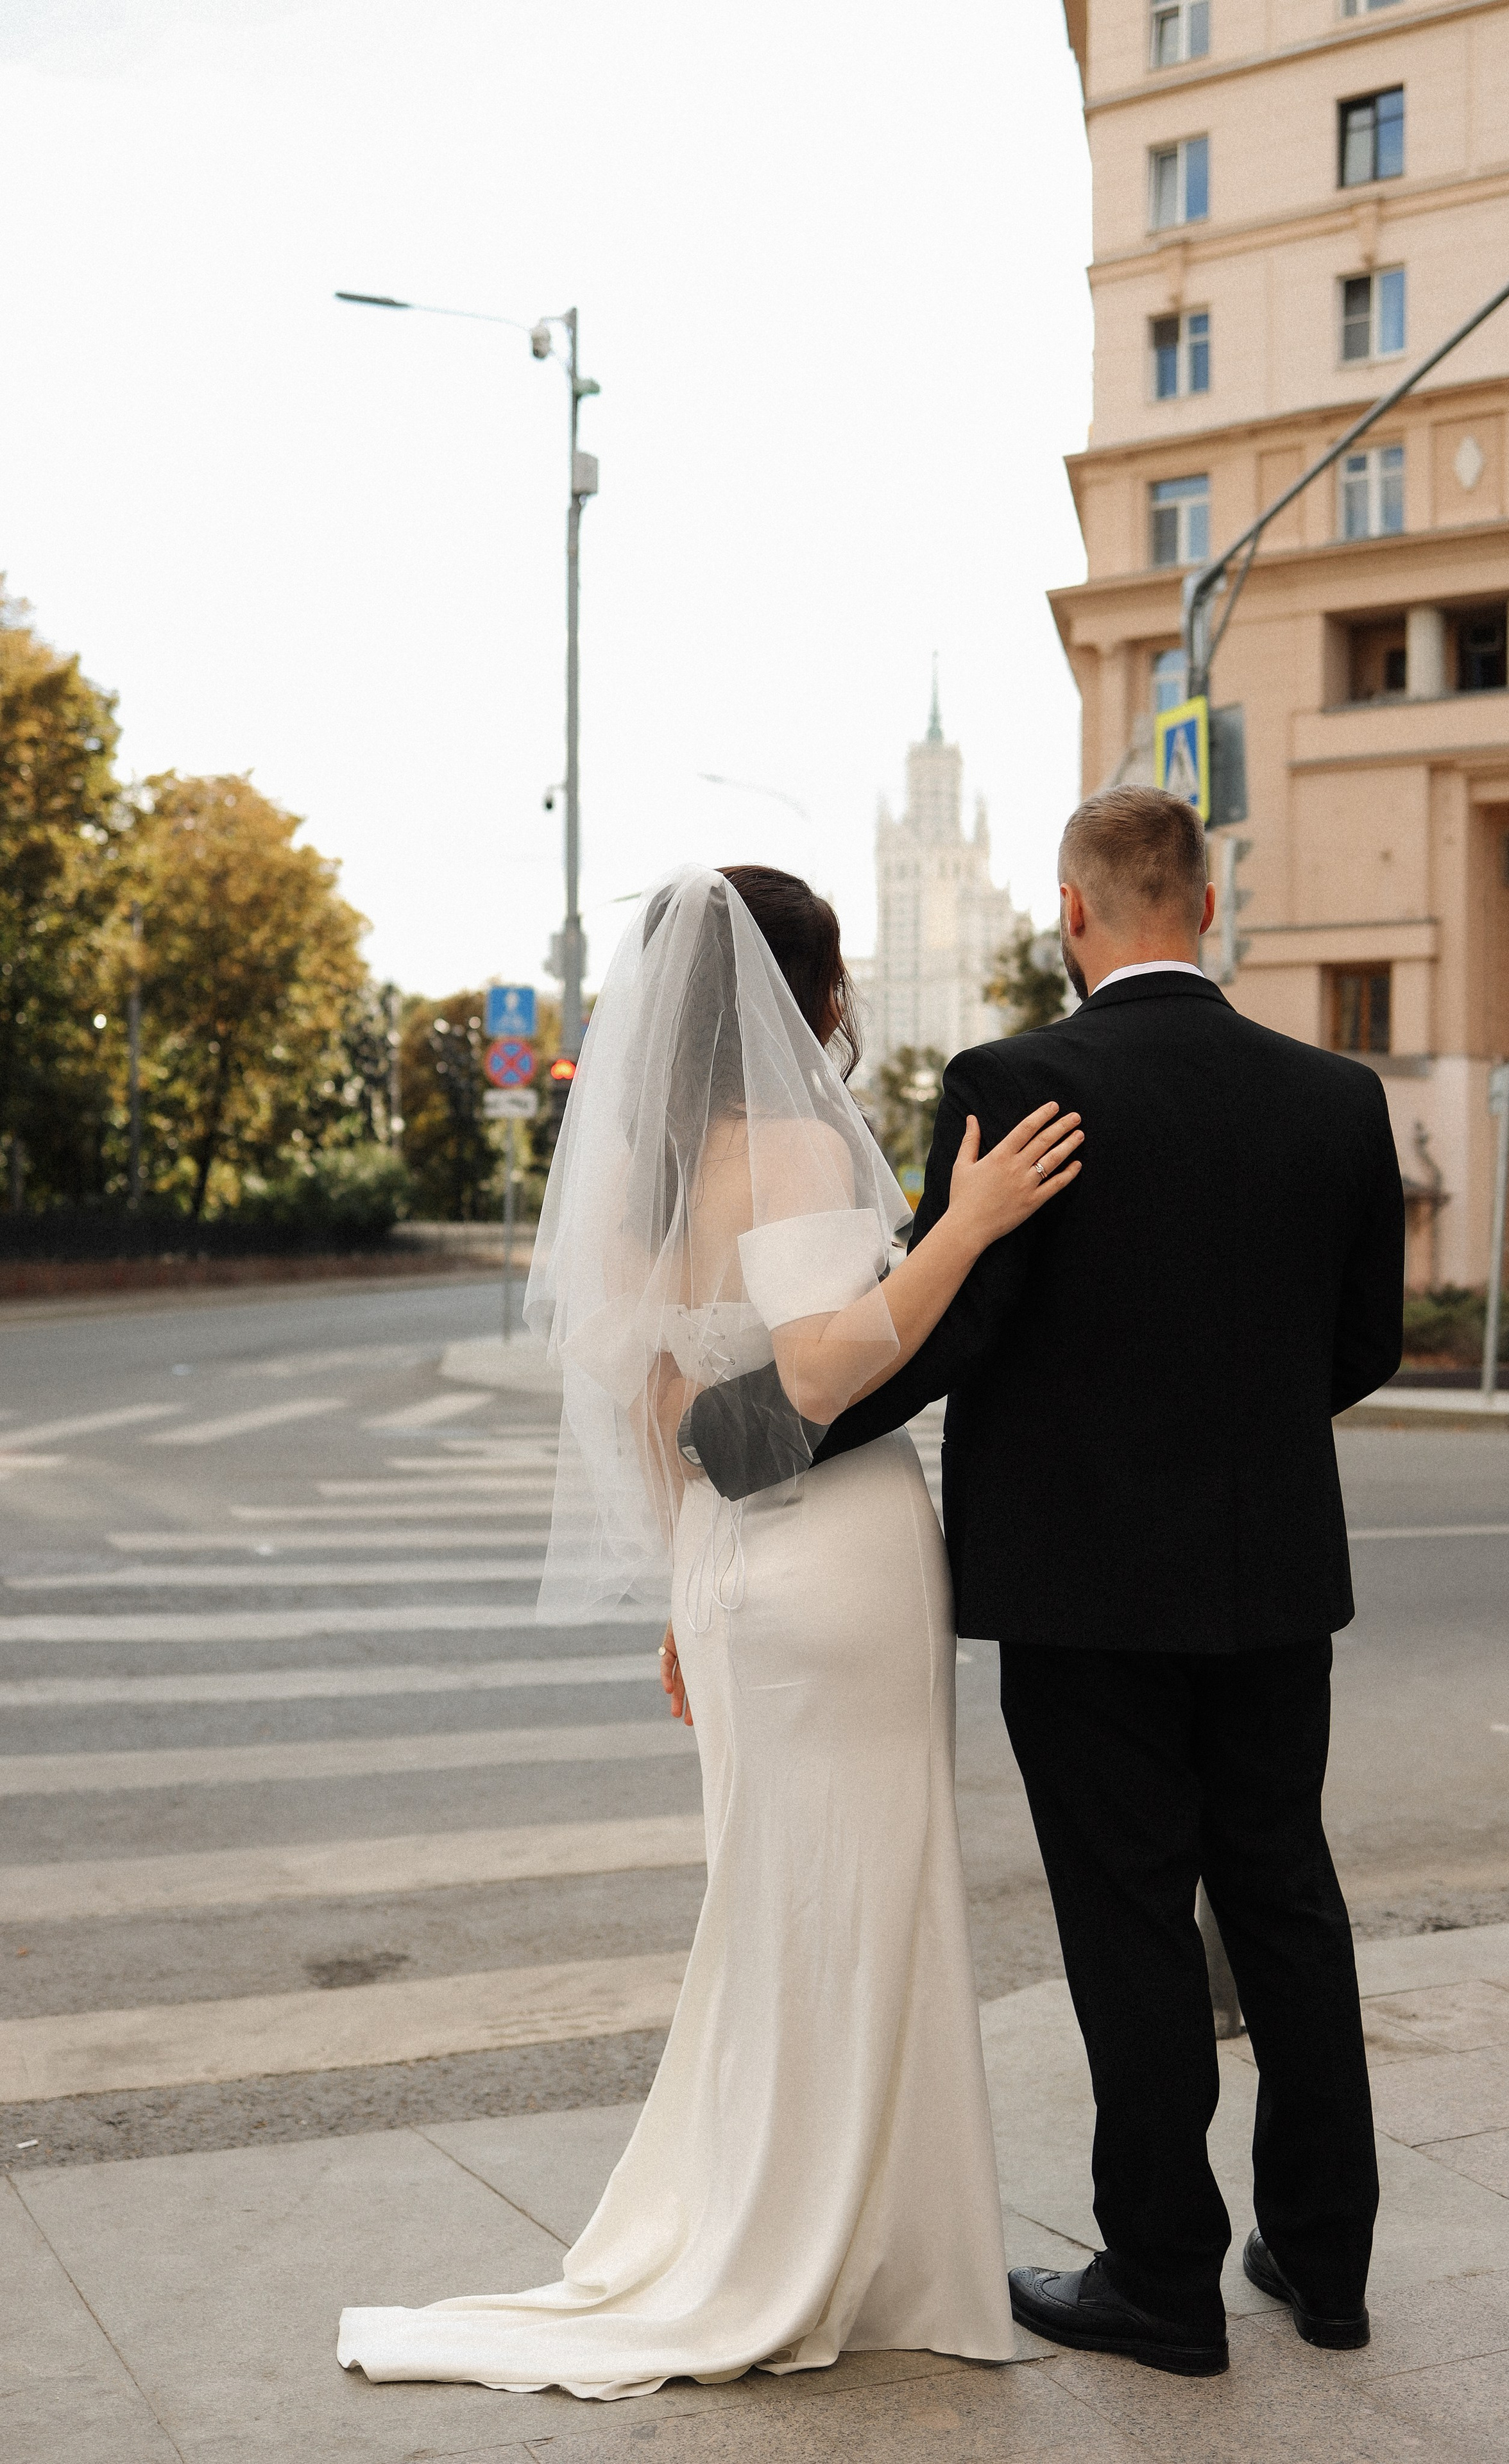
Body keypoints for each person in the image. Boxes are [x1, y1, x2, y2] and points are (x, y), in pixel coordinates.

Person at [336, 862, 1081, 2400]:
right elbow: (816, 1373)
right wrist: (967, 1221)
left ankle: (789, 2215)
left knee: (776, 1903)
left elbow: (657, 1412)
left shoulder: (648, 1174)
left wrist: (686, 1600)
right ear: (809, 995)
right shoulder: (797, 1140)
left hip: (736, 1570)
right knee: (859, 1895)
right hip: (836, 1560)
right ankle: (842, 2246)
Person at [797, 785, 1406, 2379]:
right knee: (1285, 1900)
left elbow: (955, 1329)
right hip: (1275, 1578)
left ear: (1072, 914)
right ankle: (1325, 2266)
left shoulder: (1020, 1081)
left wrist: (770, 1436)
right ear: (1203, 908)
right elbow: (1363, 1346)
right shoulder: (1336, 1097)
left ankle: (1161, 2279)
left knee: (1129, 1919)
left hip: (1081, 1597)